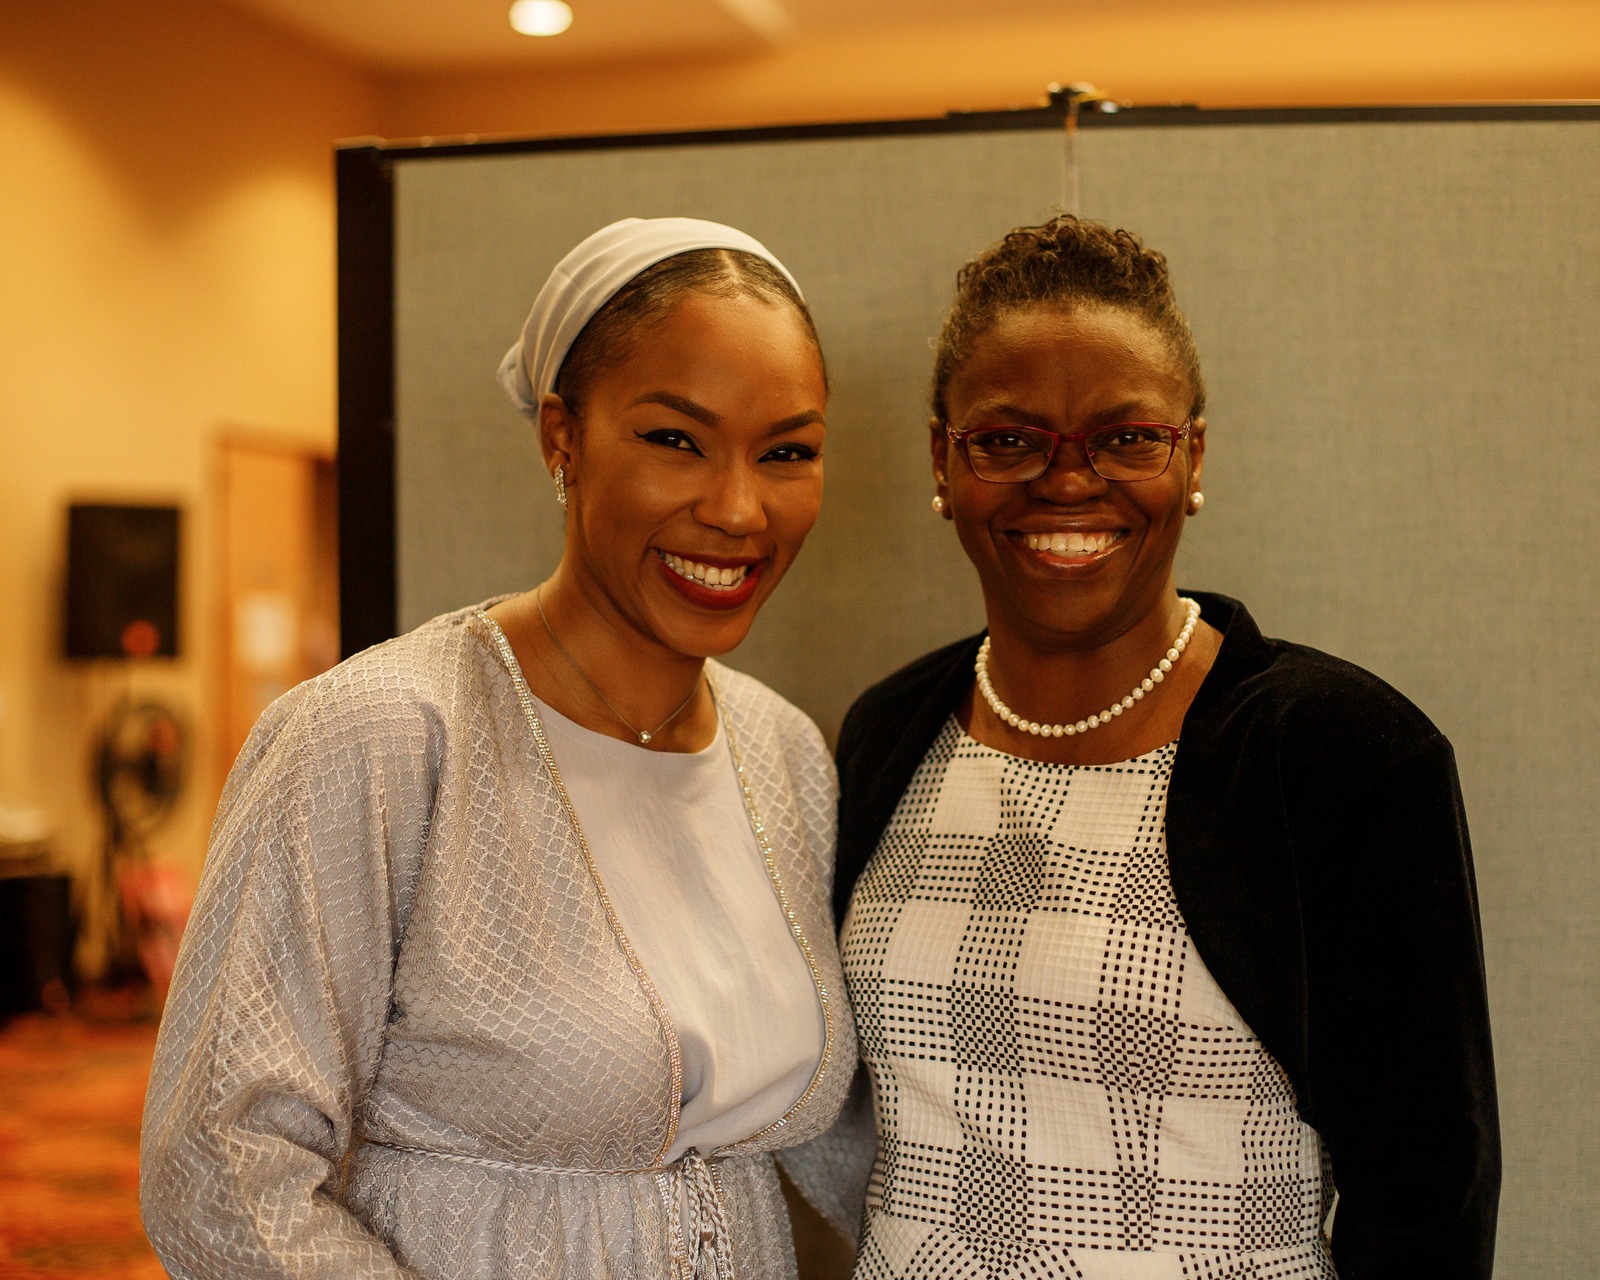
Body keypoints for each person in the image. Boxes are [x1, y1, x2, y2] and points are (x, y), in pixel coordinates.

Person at [141, 217, 857, 1280]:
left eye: (786, 451)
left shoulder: (782, 749)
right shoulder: (381, 733)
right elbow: (220, 1169)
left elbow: (837, 1145)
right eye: (674, 440)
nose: (739, 507)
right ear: (561, 435)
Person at [832, 216, 1499, 1279]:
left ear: (1190, 455)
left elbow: (1426, 1181)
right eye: (1007, 438)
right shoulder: (887, 730)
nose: (1066, 480)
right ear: (942, 462)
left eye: (1125, 436)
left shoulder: (1340, 753)